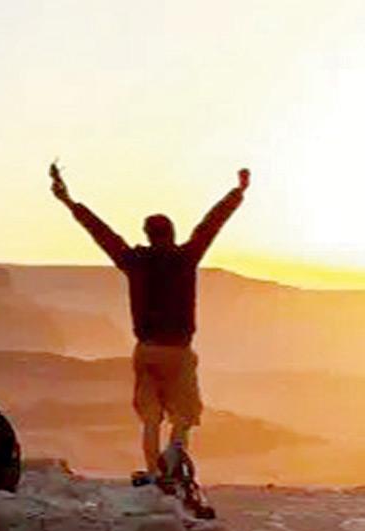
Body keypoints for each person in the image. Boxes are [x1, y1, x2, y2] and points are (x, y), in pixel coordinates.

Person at [51, 164, 250, 490]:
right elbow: (211, 224)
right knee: (184, 415)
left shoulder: (134, 261)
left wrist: (69, 202)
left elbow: (101, 232)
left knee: (150, 416)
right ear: (171, 233)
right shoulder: (186, 257)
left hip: (147, 350)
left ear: (147, 233)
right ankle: (175, 459)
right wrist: (238, 192)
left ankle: (154, 472)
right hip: (179, 350)